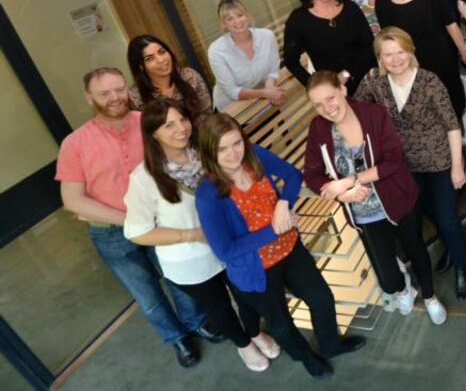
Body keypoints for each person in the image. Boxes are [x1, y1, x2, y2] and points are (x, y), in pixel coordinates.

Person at [55, 67, 217, 369]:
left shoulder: (148, 123)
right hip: (111, 233)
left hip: (162, 222)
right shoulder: (75, 144)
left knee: (179, 280)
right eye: (105, 93)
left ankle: (197, 322)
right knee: (148, 296)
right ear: (89, 97)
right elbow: (72, 200)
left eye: (119, 89)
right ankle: (177, 338)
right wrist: (131, 221)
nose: (115, 97)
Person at [196, 113, 366, 379]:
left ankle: (331, 344)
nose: (233, 153)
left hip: (290, 249)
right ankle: (307, 359)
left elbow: (292, 175)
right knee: (281, 324)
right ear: (208, 151)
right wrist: (272, 231)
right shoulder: (208, 194)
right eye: (222, 148)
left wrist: (283, 203)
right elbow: (225, 251)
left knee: (321, 298)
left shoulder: (254, 155)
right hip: (256, 270)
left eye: (236, 143)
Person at [124, 100, 279, 372]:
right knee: (219, 308)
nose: (181, 129)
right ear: (153, 133)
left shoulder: (206, 154)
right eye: (168, 125)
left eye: (182, 119)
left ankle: (254, 332)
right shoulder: (144, 178)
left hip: (230, 247)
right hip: (190, 262)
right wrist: (192, 234)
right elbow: (137, 232)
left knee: (245, 296)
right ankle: (243, 344)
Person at [303, 70, 448, 324]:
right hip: (363, 213)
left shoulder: (374, 114)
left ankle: (429, 296)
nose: (327, 108)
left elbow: (393, 160)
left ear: (343, 90)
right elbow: (313, 175)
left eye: (330, 98)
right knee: (387, 269)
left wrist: (349, 181)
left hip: (398, 199)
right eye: (318, 104)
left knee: (416, 249)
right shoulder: (318, 128)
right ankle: (404, 289)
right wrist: (342, 195)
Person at [353, 27, 466, 299]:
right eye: (388, 54)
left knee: (447, 217)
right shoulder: (374, 81)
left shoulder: (429, 81)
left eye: (400, 52)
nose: (396, 59)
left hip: (438, 160)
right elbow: (355, 111)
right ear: (380, 58)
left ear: (410, 51)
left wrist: (456, 166)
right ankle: (444, 254)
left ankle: (461, 266)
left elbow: (452, 125)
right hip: (401, 167)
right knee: (416, 218)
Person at [371, 0, 466, 118]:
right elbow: (389, 43)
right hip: (408, 71)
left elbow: (450, 23)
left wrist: (464, 52)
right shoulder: (382, 3)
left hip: (442, 63)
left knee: (452, 115)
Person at [283, 0, 375, 92]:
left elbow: (369, 47)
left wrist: (346, 73)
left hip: (369, 83)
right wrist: (317, 87)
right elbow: (291, 61)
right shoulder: (298, 20)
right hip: (333, 93)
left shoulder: (351, 9)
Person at [207, 0, 286, 110]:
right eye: (230, 19)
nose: (237, 21)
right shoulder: (216, 50)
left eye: (240, 15)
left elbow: (273, 71)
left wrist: (270, 88)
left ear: (247, 15)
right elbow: (232, 91)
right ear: (223, 24)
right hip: (231, 110)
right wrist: (266, 93)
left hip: (262, 104)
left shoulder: (267, 37)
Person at [127, 34, 213, 121]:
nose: (161, 60)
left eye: (162, 52)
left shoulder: (189, 77)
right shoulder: (135, 96)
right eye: (150, 58)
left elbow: (207, 114)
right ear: (140, 66)